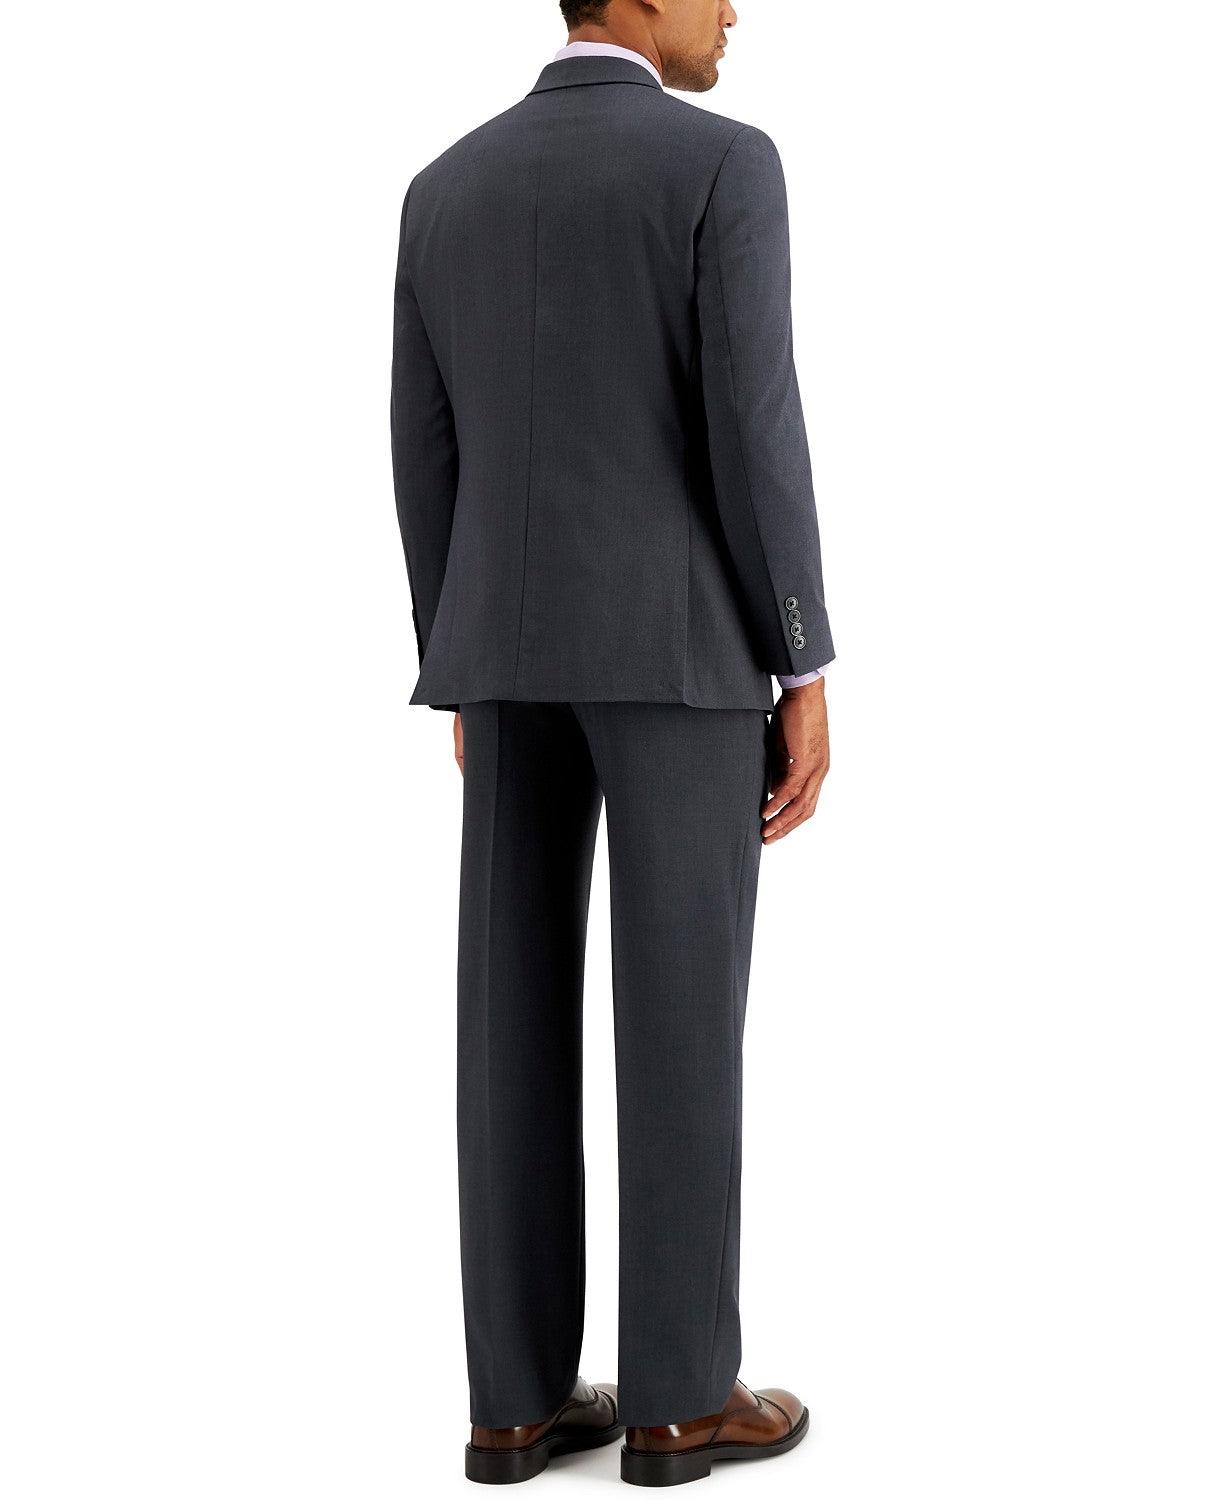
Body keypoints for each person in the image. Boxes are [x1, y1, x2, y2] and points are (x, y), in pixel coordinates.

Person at [391, 0, 834, 1484]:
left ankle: (512, 1403)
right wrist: (802, 656)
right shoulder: (721, 162)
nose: (733, 10)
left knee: (506, 1016)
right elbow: (752, 430)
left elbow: (423, 445)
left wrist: (458, 662)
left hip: (502, 658)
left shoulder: (444, 185)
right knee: (681, 1015)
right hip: (679, 653)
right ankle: (678, 1400)